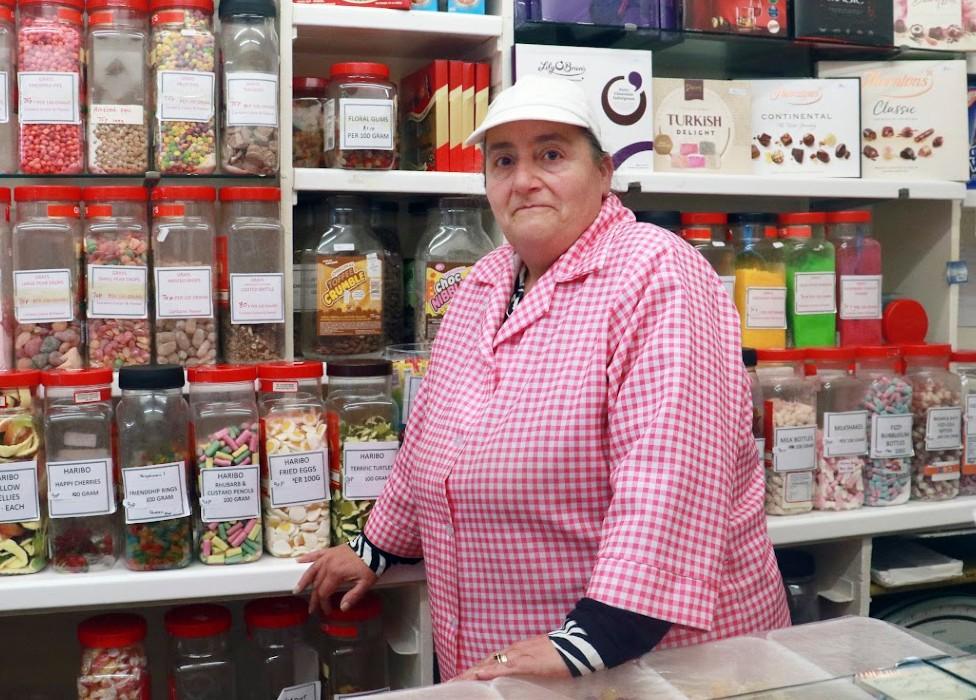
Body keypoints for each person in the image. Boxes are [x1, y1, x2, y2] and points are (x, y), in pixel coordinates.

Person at [295, 74, 790, 683]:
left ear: (604, 172)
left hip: (647, 659)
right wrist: (378, 544)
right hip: (507, 657)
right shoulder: (482, 283)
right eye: (503, 160)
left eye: (551, 154)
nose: (524, 179)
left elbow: (671, 467)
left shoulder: (657, 271)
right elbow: (433, 437)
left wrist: (602, 630)